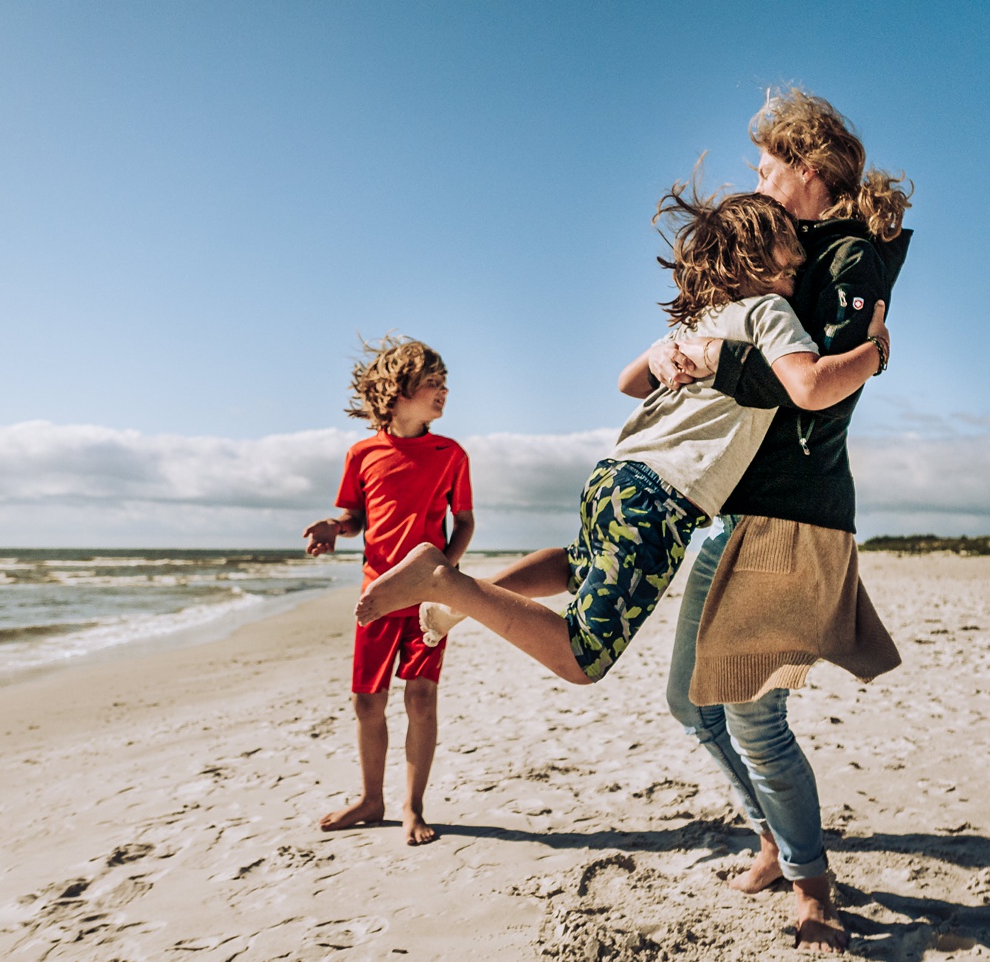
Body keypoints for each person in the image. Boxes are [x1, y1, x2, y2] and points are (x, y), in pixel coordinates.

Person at [353, 183, 890, 691]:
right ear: (755, 259)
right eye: (789, 257)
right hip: (662, 499)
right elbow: (810, 387)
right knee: (582, 658)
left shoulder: (701, 320)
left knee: (576, 563)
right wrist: (875, 353)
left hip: (615, 477)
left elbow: (627, 382)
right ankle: (447, 583)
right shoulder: (768, 311)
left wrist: (663, 355)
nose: (798, 266)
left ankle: (454, 603)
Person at [638, 89, 913, 954]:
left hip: (793, 515)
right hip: (739, 513)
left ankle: (813, 886)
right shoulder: (803, 259)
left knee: (757, 721)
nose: (755, 184)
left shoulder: (847, 260)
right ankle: (776, 840)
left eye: (765, 168)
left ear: (808, 169)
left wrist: (721, 360)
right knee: (691, 704)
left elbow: (823, 398)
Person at [303, 336, 474, 846]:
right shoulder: (363, 452)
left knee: (421, 699)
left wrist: (443, 571)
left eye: (445, 383)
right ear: (397, 391)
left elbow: (462, 522)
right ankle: (370, 798)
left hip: (426, 600)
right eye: (432, 383)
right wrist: (335, 527)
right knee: (366, 702)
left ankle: (411, 806)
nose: (443, 391)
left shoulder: (450, 453)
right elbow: (356, 517)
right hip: (375, 597)